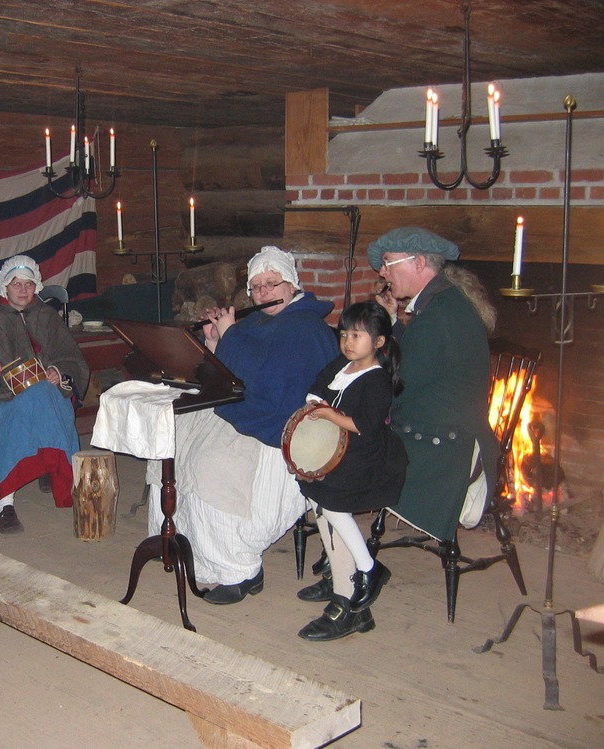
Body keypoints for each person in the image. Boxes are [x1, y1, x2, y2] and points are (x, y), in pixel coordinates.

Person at [146, 246, 338, 604]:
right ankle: (179, 539)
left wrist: (232, 337)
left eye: (272, 283)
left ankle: (240, 571)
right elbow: (233, 373)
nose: (264, 292)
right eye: (257, 286)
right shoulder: (259, 322)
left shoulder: (306, 328)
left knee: (212, 467)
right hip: (242, 409)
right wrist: (217, 343)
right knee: (172, 440)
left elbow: (273, 386)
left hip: (278, 424)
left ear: (292, 285)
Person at [369, 226, 498, 546]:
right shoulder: (442, 303)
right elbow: (412, 364)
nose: (383, 273)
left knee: (345, 460)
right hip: (435, 431)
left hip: (443, 450)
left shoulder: (439, 315)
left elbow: (399, 384)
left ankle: (355, 569)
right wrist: (394, 322)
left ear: (418, 263)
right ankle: (348, 560)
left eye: (388, 262)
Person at [294, 301, 407, 641]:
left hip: (366, 457)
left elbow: (365, 425)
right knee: (318, 498)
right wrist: (316, 404)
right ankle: (336, 570)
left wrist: (330, 416)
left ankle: (369, 568)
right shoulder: (342, 364)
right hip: (339, 452)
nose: (348, 341)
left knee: (333, 505)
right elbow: (317, 386)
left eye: (358, 335)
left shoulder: (376, 380)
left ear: (379, 342)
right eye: (344, 333)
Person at [0, 255, 89, 534]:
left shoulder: (46, 317)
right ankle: (6, 504)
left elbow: (71, 357)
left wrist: (58, 372)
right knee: (19, 415)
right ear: (4, 286)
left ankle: (56, 471)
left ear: (36, 286)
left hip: (46, 392)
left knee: (46, 400)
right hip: (3, 396)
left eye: (28, 284)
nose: (23, 290)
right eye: (17, 284)